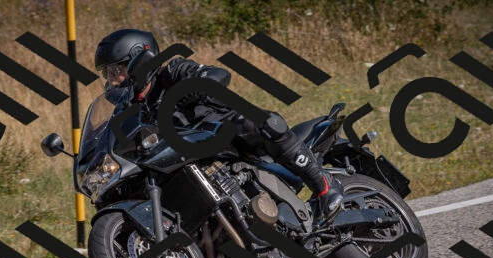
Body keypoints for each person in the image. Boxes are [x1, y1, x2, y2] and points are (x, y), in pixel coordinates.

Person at [94, 29, 343, 223]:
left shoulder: (172, 72)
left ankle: (324, 184)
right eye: (107, 73)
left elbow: (217, 74)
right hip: (188, 157)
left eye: (116, 70)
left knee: (257, 123)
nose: (112, 80)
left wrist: (195, 86)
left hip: (221, 132)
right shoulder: (132, 108)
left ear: (139, 60)